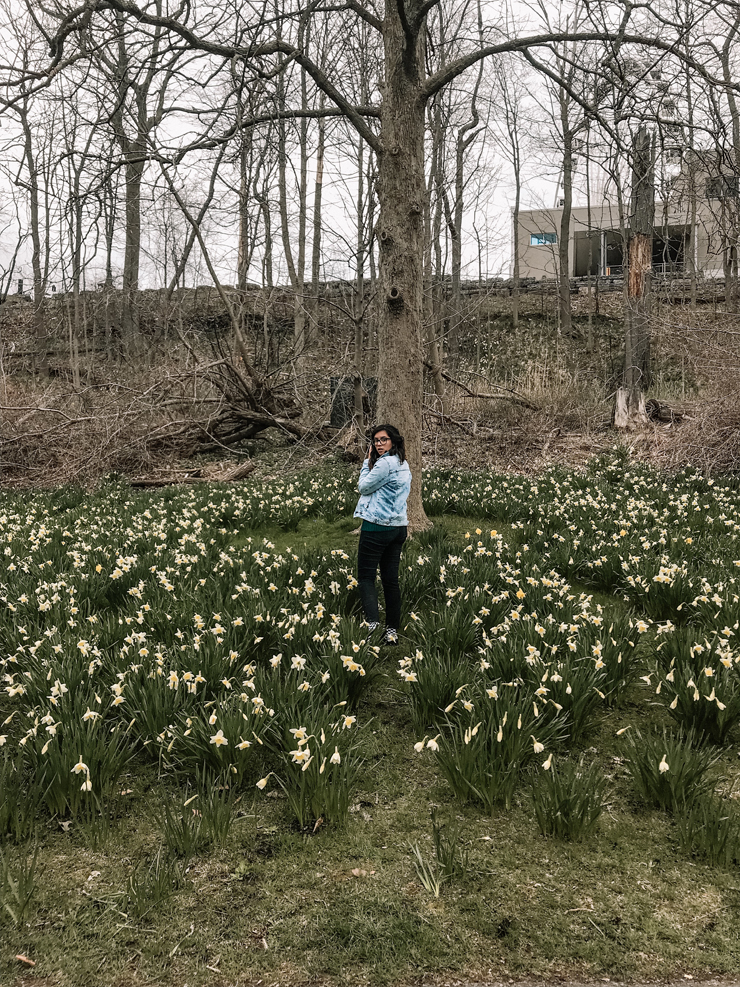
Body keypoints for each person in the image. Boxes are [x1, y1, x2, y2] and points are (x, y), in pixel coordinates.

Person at [353, 423, 412, 646]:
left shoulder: (384, 463)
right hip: (398, 527)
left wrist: (366, 463)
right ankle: (391, 631)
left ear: (393, 441)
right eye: (376, 441)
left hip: (377, 527)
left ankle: (373, 625)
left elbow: (363, 487)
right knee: (390, 580)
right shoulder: (403, 463)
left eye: (383, 440)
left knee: (366, 577)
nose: (379, 444)